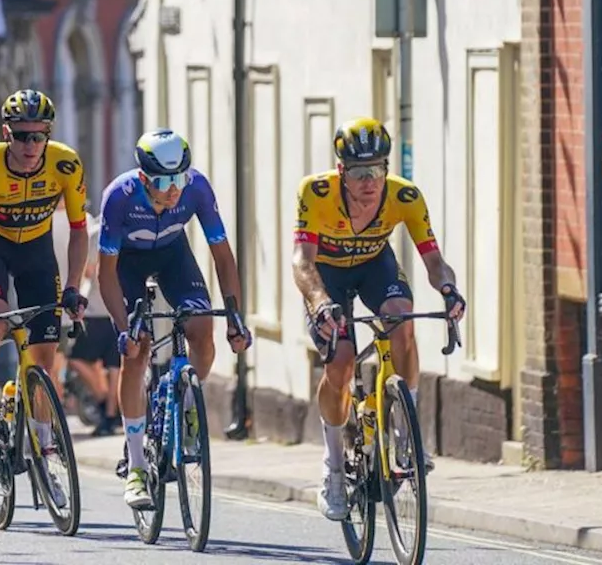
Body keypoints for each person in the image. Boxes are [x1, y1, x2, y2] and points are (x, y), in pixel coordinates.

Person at [291, 117, 466, 521]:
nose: (370, 182)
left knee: (403, 321)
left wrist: (448, 291)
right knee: (341, 362)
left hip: (374, 266)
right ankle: (334, 467)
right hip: (327, 276)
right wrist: (318, 302)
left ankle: (407, 431)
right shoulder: (315, 193)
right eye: (358, 173)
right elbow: (302, 261)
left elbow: (435, 261)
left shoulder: (405, 196)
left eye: (377, 171)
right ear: (341, 173)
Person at [96, 129, 249, 509]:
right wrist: (122, 328)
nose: (173, 189)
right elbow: (105, 274)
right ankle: (135, 467)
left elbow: (223, 258)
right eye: (163, 181)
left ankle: (186, 408)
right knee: (137, 349)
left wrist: (236, 316)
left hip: (172, 257)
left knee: (201, 328)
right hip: (126, 267)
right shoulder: (119, 197)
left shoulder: (196, 188)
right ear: (144, 177)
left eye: (178, 178)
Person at [0, 90, 88, 505]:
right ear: (6, 133)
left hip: (37, 252)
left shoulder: (65, 163)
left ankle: (45, 451)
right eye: (22, 136)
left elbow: (80, 230)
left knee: (44, 361)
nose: (31, 146)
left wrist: (72, 287)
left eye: (39, 136)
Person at [66, 214, 120, 437]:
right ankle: (110, 412)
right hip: (121, 309)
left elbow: (88, 271)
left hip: (97, 308)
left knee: (77, 359)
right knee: (116, 365)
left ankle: (104, 400)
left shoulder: (95, 234)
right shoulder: (129, 232)